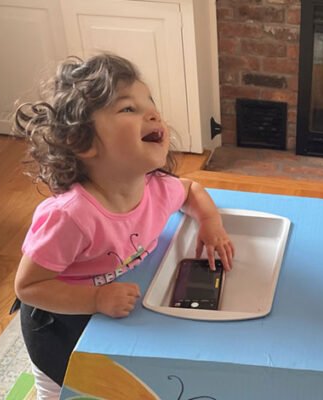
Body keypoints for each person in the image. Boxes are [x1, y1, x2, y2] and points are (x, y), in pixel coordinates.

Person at [12, 53, 235, 399]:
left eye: (151, 103)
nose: (153, 113)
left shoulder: (156, 189)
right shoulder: (70, 216)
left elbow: (192, 190)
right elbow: (28, 287)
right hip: (59, 320)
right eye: (128, 109)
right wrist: (96, 298)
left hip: (115, 302)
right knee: (64, 390)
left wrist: (210, 222)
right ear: (82, 142)